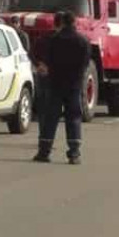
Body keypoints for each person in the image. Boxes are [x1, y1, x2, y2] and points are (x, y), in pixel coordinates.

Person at [33, 11, 91, 165]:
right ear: (74, 23)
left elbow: (47, 60)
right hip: (74, 85)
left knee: (50, 118)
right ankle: (74, 153)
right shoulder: (83, 41)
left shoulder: (52, 40)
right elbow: (85, 64)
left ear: (62, 23)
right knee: (73, 118)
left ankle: (44, 152)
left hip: (55, 84)